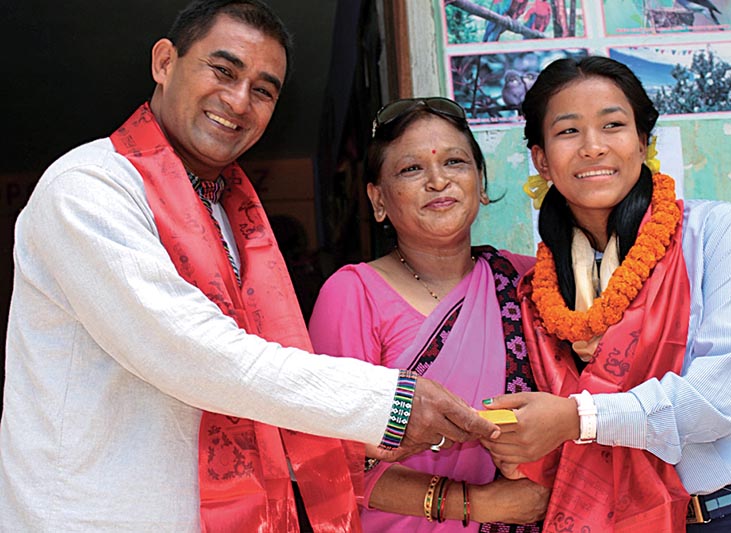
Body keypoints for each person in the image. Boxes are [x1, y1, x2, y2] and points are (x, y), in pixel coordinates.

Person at [0, 2, 501, 531]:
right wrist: (391, 405)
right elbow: (194, 353)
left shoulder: (229, 213)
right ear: (165, 62)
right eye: (223, 71)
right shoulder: (89, 187)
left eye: (263, 90)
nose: (239, 101)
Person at [307, 97, 731, 530]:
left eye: (455, 162)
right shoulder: (352, 295)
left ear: (481, 185)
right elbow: (323, 460)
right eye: (411, 169)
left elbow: (632, 347)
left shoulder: (533, 282)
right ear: (377, 199)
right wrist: (475, 505)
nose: (439, 180)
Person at [481, 56, 731, 532]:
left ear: (643, 142)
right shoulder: (540, 290)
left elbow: (721, 400)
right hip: (632, 519)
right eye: (568, 131)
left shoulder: (717, 233)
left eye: (613, 125)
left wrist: (576, 418)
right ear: (541, 159)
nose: (593, 147)